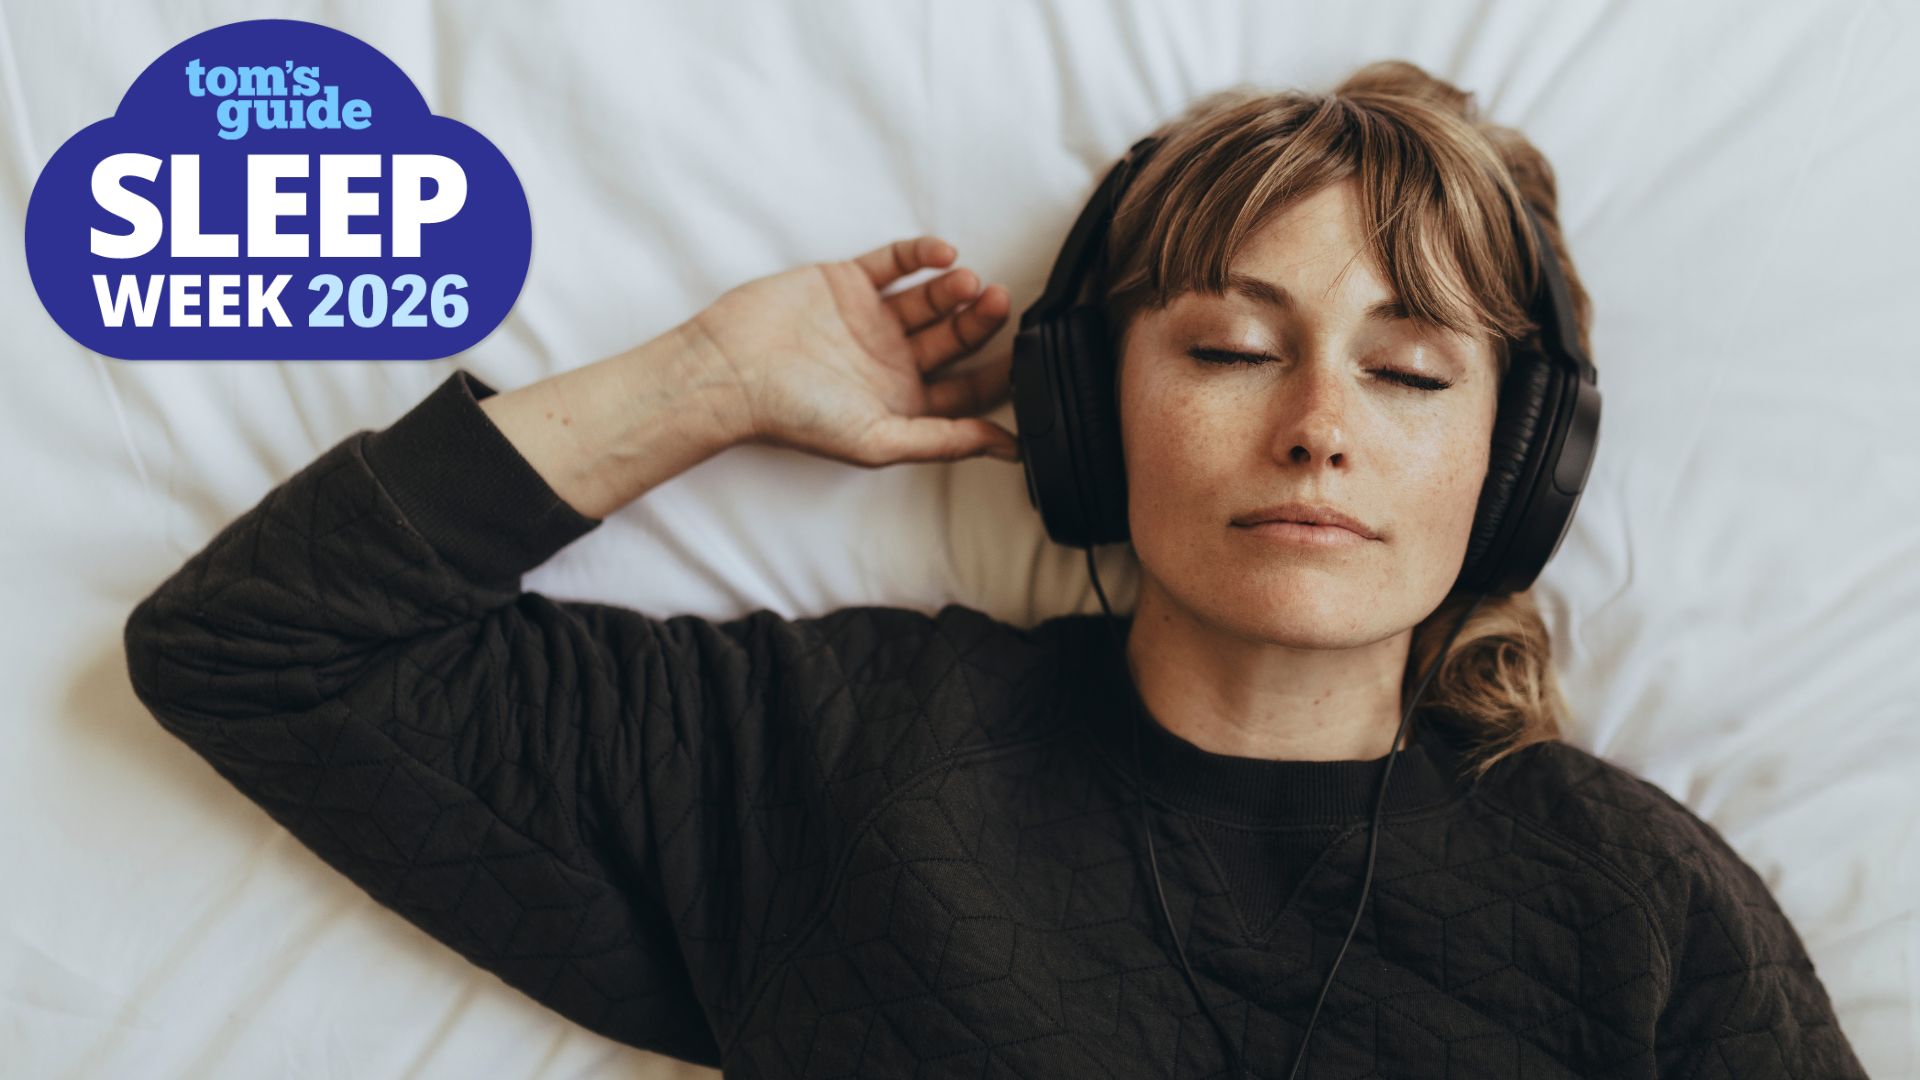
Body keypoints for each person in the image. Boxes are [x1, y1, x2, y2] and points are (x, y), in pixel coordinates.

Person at [125, 61, 1867, 1077]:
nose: (1323, 425)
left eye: (1412, 374)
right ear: (1088, 417)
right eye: (1229, 351)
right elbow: (258, 652)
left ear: (1520, 466)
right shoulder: (843, 758)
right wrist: (716, 381)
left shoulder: (1633, 903)